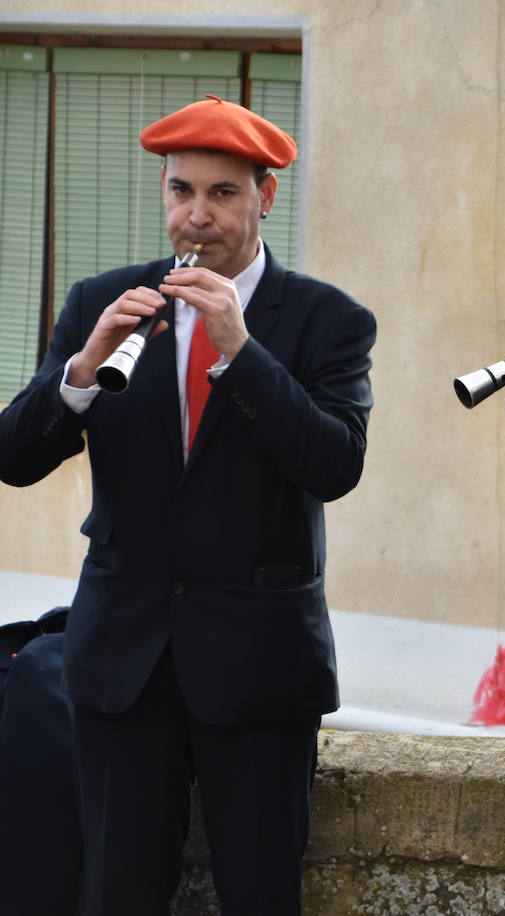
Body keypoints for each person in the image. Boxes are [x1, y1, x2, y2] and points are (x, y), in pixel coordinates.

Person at [0, 95, 376, 914]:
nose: (196, 217)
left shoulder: (327, 320)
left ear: (265, 197)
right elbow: (13, 457)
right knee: (117, 894)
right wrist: (79, 375)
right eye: (180, 192)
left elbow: (335, 463)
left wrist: (241, 350)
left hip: (259, 669)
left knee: (258, 895)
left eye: (223, 194)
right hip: (121, 663)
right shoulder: (103, 300)